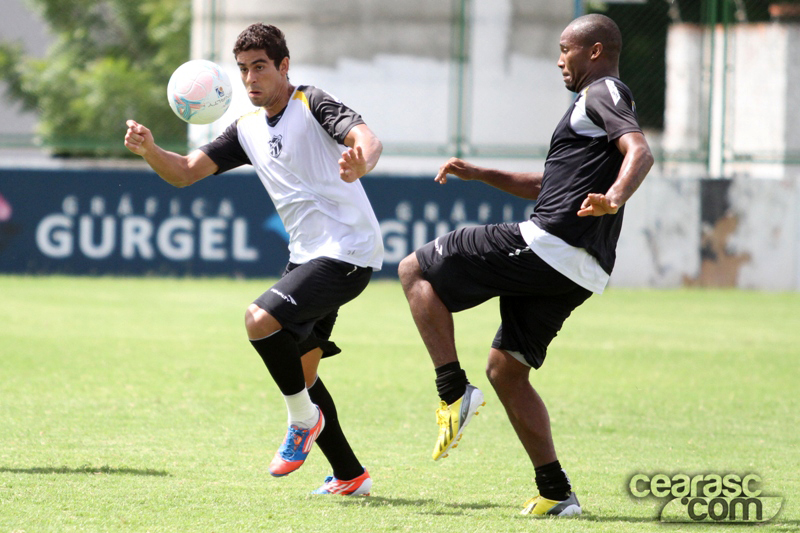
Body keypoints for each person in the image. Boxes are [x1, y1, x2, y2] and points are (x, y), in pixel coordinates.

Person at [398, 13, 653, 517]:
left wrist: (614, 198)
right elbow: (546, 186)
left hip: (550, 245)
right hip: (579, 271)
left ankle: (452, 391)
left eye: (565, 48)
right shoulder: (590, 110)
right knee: (507, 371)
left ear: (594, 51)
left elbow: (640, 150)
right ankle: (557, 493)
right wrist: (480, 173)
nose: (559, 59)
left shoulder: (602, 92)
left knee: (414, 269)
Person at [124, 22, 383, 496]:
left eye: (260, 67)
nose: (250, 79)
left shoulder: (312, 102)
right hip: (307, 257)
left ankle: (302, 421)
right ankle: (350, 475)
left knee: (259, 319)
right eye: (243, 69)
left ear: (284, 66)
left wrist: (360, 161)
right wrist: (150, 149)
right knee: (303, 372)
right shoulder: (245, 129)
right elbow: (184, 172)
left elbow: (366, 138)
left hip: (347, 251)